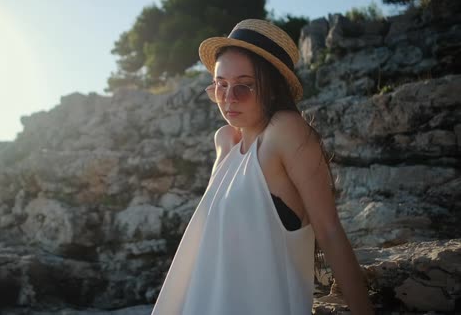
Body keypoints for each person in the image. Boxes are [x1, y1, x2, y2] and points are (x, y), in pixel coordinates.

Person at [151, 19, 374, 314]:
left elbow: (330, 230)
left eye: (243, 87)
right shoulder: (225, 143)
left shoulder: (285, 131)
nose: (228, 99)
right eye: (220, 86)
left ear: (271, 87)